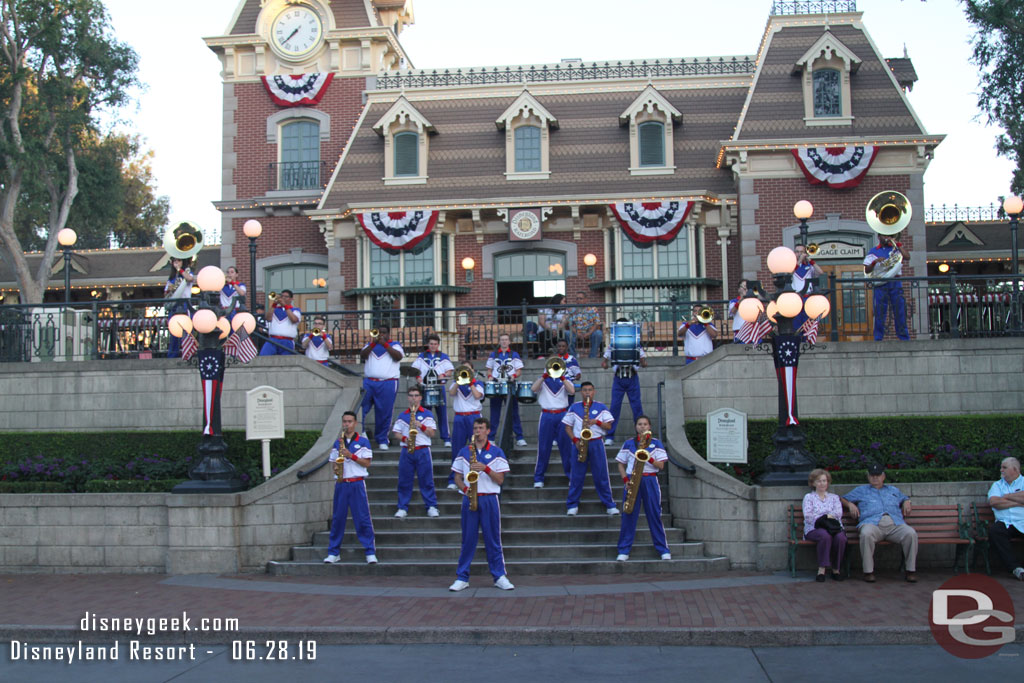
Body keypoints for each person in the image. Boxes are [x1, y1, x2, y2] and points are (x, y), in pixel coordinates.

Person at [449, 417, 514, 591]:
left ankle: (499, 576)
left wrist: (485, 468)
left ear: (488, 431)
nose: (477, 431)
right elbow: (456, 477)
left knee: (493, 539)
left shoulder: (497, 452)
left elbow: (500, 479)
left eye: (481, 428)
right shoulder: (464, 451)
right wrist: (464, 490)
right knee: (468, 539)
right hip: (470, 498)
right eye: (475, 428)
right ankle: (462, 577)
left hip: (489, 498)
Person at [841, 463, 919, 582]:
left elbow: (904, 497)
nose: (875, 478)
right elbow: (842, 498)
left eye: (877, 475)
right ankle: (868, 572)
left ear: (883, 476)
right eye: (872, 475)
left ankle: (910, 571)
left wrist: (907, 501)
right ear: (868, 477)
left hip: (894, 524)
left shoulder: (893, 490)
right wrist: (850, 504)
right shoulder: (861, 490)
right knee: (866, 534)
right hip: (872, 523)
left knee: (911, 533)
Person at [323, 411, 377, 565]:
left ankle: (370, 551)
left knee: (362, 518)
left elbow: (367, 463)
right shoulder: (337, 442)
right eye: (344, 422)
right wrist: (336, 467)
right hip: (341, 482)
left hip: (357, 483)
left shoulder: (363, 442)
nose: (347, 424)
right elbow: (334, 463)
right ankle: (334, 552)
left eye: (349, 421)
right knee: (338, 519)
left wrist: (350, 455)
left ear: (355, 423)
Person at [615, 416, 671, 561]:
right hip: (632, 479)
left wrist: (649, 458)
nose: (642, 427)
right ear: (636, 427)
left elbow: (661, 465)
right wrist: (625, 480)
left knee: (654, 514)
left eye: (645, 424)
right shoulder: (629, 444)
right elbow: (620, 463)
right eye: (639, 424)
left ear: (649, 427)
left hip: (649, 479)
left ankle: (663, 549)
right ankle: (624, 550)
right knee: (628, 514)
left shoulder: (656, 444)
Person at [562, 381, 619, 516]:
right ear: (581, 392)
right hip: (579, 443)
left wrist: (596, 422)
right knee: (576, 476)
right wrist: (575, 440)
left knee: (601, 475)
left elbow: (609, 427)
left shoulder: (601, 407)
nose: (587, 392)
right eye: (585, 390)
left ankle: (609, 504)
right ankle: (572, 505)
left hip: (596, 443)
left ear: (594, 392)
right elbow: (567, 427)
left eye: (590, 390)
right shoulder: (574, 407)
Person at [392, 386, 439, 519]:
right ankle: (402, 507)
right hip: (407, 450)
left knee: (427, 479)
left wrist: (420, 425)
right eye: (411, 395)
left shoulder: (427, 414)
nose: (413, 398)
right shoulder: (402, 415)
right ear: (408, 397)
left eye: (416, 395)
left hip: (423, 450)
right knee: (404, 480)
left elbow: (432, 433)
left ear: (420, 397)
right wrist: (405, 439)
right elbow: (396, 433)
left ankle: (431, 506)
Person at [530, 354, 575, 488]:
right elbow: (533, 389)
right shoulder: (543, 380)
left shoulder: (566, 379)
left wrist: (561, 376)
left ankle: (571, 476)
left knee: (566, 447)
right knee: (543, 447)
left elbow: (572, 391)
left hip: (562, 414)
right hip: (547, 415)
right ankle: (539, 477)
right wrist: (544, 376)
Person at [601, 319, 647, 446]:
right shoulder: (613, 345)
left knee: (637, 407)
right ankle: (610, 436)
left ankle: (641, 435)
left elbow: (644, 362)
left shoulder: (636, 344)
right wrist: (606, 363)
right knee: (614, 407)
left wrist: (640, 359)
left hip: (632, 377)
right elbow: (604, 362)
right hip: (619, 378)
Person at [801, 468, 847, 582]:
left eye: (824, 481)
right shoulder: (809, 497)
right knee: (824, 535)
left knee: (840, 538)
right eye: (819, 481)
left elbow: (838, 514)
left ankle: (836, 569)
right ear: (813, 483)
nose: (822, 483)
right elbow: (808, 515)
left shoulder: (834, 498)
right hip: (814, 528)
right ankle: (822, 569)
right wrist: (825, 517)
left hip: (833, 528)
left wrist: (823, 516)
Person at [446, 360, 484, 489]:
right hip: (460, 417)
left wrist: (471, 381)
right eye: (463, 370)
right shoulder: (455, 384)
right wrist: (458, 380)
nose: (466, 372)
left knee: (478, 447)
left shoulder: (478, 383)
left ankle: (480, 477)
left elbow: (478, 395)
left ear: (473, 371)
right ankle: (453, 479)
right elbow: (451, 393)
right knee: (457, 448)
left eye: (468, 370)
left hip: (474, 417)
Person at [863, 236, 910, 341]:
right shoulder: (874, 251)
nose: (887, 238)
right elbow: (867, 270)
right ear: (879, 237)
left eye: (889, 235)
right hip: (881, 284)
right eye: (884, 235)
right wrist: (875, 262)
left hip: (895, 282)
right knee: (879, 311)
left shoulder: (896, 249)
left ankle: (903, 337)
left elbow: (907, 257)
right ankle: (878, 338)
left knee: (899, 310)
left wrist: (898, 244)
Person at [412, 333, 454, 447]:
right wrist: (418, 378)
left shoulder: (444, 356)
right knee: (425, 414)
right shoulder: (421, 356)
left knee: (442, 414)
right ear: (428, 344)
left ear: (438, 345)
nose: (433, 346)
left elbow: (450, 371)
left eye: (435, 344)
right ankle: (425, 438)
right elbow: (415, 371)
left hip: (439, 388)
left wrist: (443, 374)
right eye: (431, 344)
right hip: (425, 389)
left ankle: (446, 439)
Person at [486, 333, 527, 446]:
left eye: (506, 340)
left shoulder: (514, 354)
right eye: (502, 340)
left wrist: (513, 376)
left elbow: (519, 370)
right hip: (496, 383)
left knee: (513, 412)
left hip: (509, 384)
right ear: (499, 342)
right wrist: (490, 376)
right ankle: (491, 438)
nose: (504, 342)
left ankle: (519, 437)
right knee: (494, 412)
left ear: (509, 342)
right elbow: (489, 370)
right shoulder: (493, 354)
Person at [987, 456, 1024, 580]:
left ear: (1015, 469)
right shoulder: (997, 485)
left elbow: (1001, 500)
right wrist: (1019, 502)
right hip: (1005, 522)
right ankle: (1015, 568)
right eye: (1001, 467)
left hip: (1022, 521)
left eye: (1004, 467)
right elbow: (994, 502)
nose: (1001, 470)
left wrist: (1007, 496)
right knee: (995, 531)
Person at [164, 257, 194, 359]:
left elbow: (190, 279)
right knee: (174, 330)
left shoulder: (187, 272)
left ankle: (187, 353)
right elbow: (166, 293)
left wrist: (180, 270)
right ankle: (173, 354)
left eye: (179, 261)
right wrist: (169, 290)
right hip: (174, 305)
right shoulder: (171, 278)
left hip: (185, 304)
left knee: (186, 330)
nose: (176, 262)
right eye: (174, 261)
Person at [259, 289, 301, 356]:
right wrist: (274, 304)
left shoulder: (295, 310)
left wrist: (285, 306)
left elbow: (294, 320)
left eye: (286, 296)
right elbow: (268, 318)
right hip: (273, 339)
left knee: (286, 361)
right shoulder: (275, 309)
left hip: (287, 341)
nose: (283, 298)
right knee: (263, 356)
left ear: (291, 299)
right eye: (282, 296)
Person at [792, 245, 825, 330]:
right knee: (797, 321)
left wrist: (810, 261)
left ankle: (807, 340)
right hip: (796, 298)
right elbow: (790, 272)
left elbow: (821, 272)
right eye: (797, 252)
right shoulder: (791, 265)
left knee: (808, 321)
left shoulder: (810, 266)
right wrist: (799, 260)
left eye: (801, 252)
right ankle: (799, 340)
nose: (799, 254)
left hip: (807, 297)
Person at [568, 291, 603, 358]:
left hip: (590, 332)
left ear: (586, 300)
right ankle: (573, 356)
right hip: (576, 333)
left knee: (598, 333)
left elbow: (596, 323)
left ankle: (592, 356)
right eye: (577, 299)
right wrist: (577, 333)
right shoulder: (573, 310)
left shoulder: (593, 309)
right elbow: (570, 325)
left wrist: (588, 333)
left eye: (580, 298)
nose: (578, 300)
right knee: (567, 333)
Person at [554, 338, 581, 406]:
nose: (561, 348)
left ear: (567, 347)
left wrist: (572, 378)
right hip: (556, 386)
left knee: (568, 409)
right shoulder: (553, 359)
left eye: (563, 346)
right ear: (557, 347)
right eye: (559, 346)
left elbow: (578, 375)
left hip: (568, 386)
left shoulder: (572, 359)